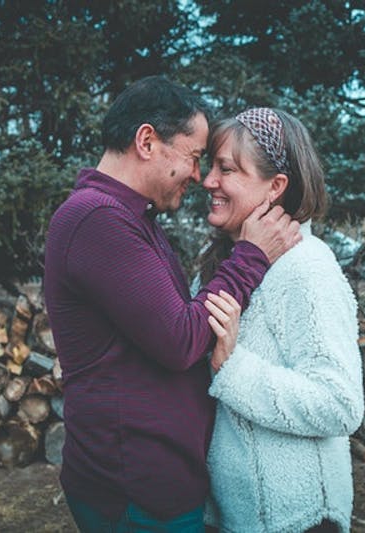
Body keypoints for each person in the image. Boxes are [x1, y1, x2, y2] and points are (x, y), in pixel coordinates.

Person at [43, 77, 302, 532]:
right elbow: (181, 339)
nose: (200, 176)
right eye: (195, 156)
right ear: (147, 141)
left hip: (151, 483)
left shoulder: (129, 218)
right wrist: (252, 256)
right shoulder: (97, 220)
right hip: (135, 488)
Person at [196, 107, 365, 532]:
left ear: (276, 187)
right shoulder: (220, 263)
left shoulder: (307, 268)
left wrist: (230, 368)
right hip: (235, 515)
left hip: (297, 518)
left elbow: (340, 405)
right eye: (210, 166)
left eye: (227, 169)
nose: (208, 180)